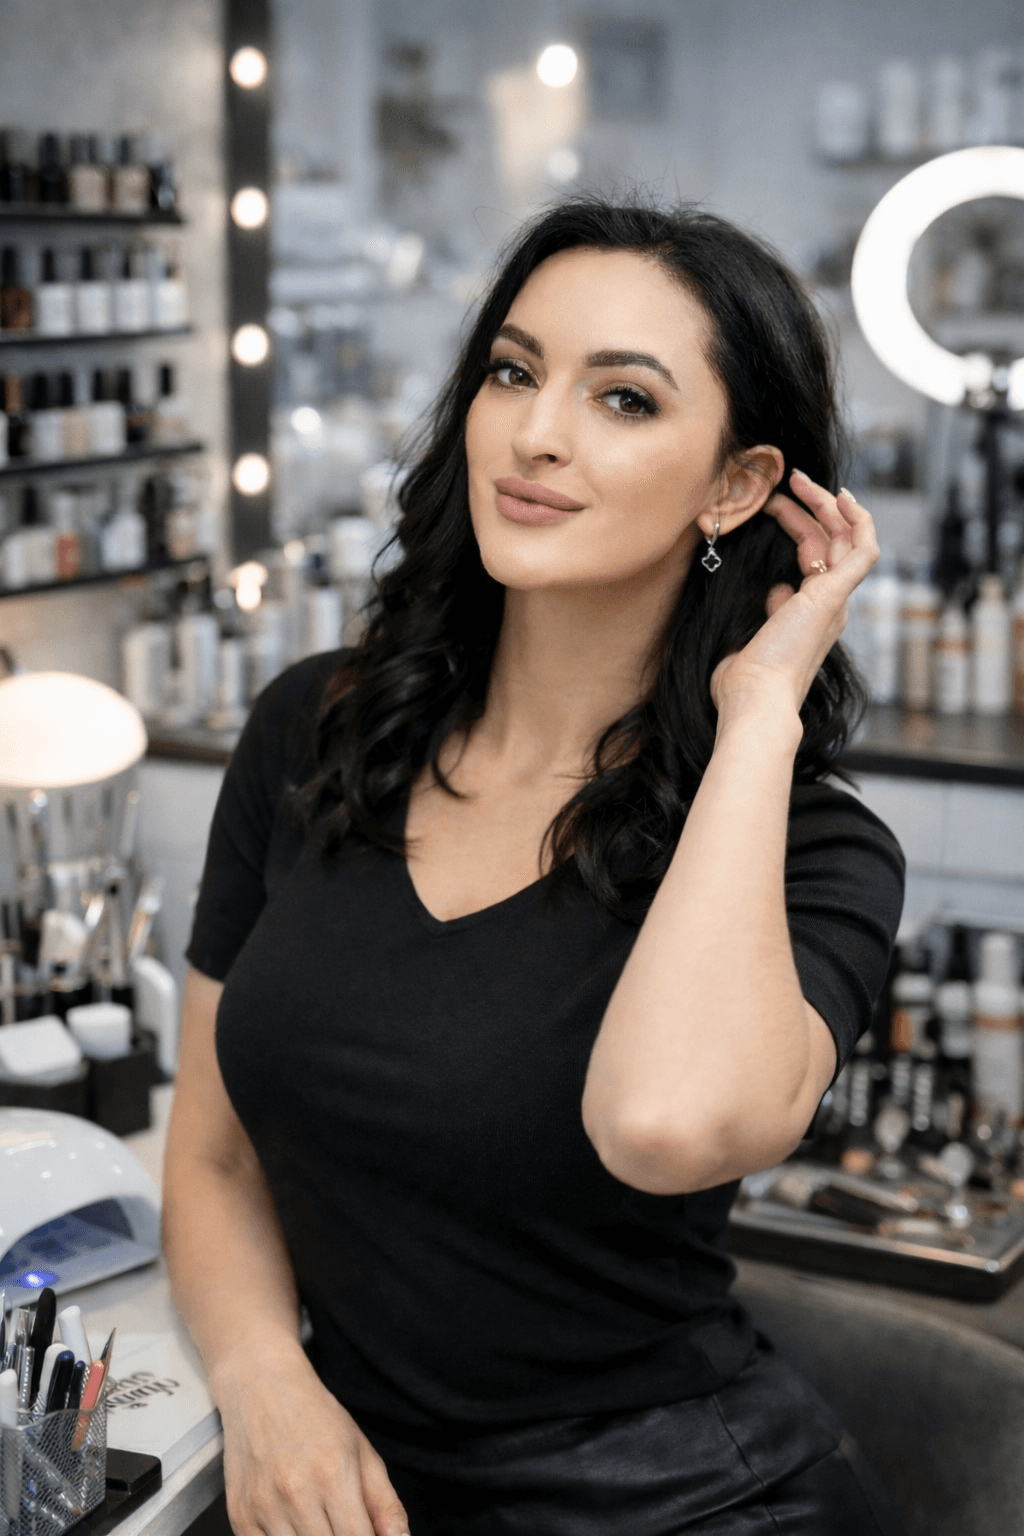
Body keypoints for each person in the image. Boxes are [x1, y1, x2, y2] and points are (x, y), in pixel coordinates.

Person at [164, 199, 907, 1536]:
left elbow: (667, 1124)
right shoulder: (314, 735)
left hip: (682, 1505)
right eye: (514, 370)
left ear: (735, 486)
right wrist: (262, 1374)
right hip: (345, 1485)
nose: (538, 431)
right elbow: (211, 1159)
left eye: (624, 399)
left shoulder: (808, 849)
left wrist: (759, 712)